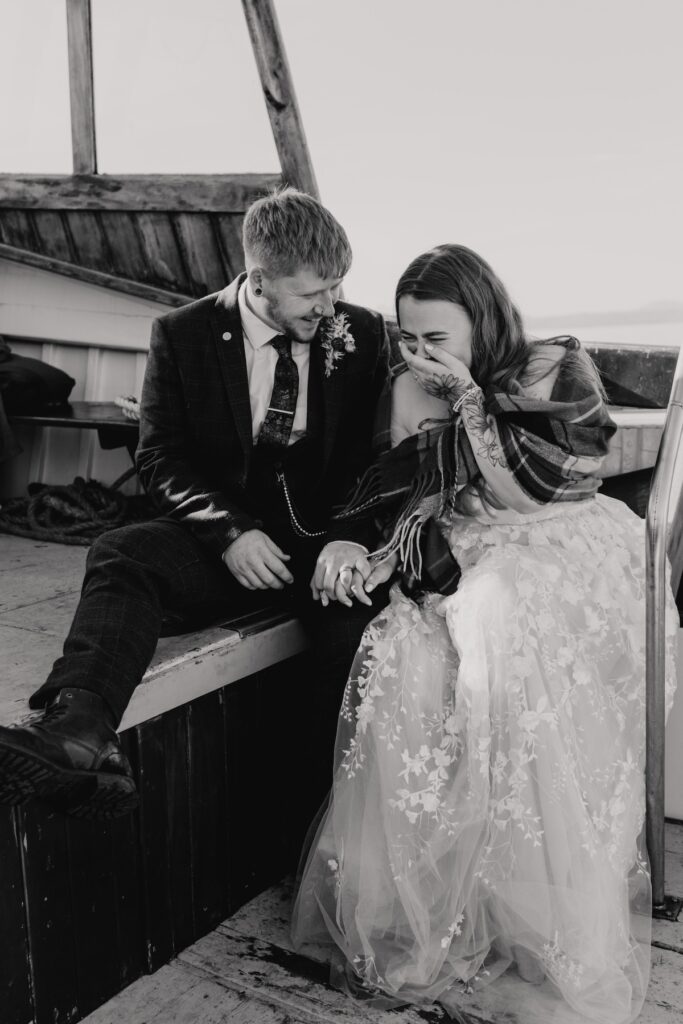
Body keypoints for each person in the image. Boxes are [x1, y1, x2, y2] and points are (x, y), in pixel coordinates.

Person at [291, 244, 679, 1023]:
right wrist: (359, 547)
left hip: (558, 542)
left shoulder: (547, 368)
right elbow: (396, 490)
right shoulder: (405, 386)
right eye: (408, 338)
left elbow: (534, 490)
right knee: (403, 649)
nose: (418, 355)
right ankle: (438, 899)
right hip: (463, 545)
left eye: (435, 337)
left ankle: (539, 895)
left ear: (480, 317)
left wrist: (468, 397)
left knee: (502, 620)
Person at [0, 188, 391, 820]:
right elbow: (160, 457)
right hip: (227, 546)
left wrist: (350, 537)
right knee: (120, 553)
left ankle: (328, 836)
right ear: (258, 279)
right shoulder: (182, 335)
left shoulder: (364, 334)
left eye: (337, 286)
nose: (330, 305)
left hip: (327, 545)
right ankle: (79, 732)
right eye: (311, 292)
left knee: (357, 636)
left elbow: (374, 459)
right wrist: (229, 532)